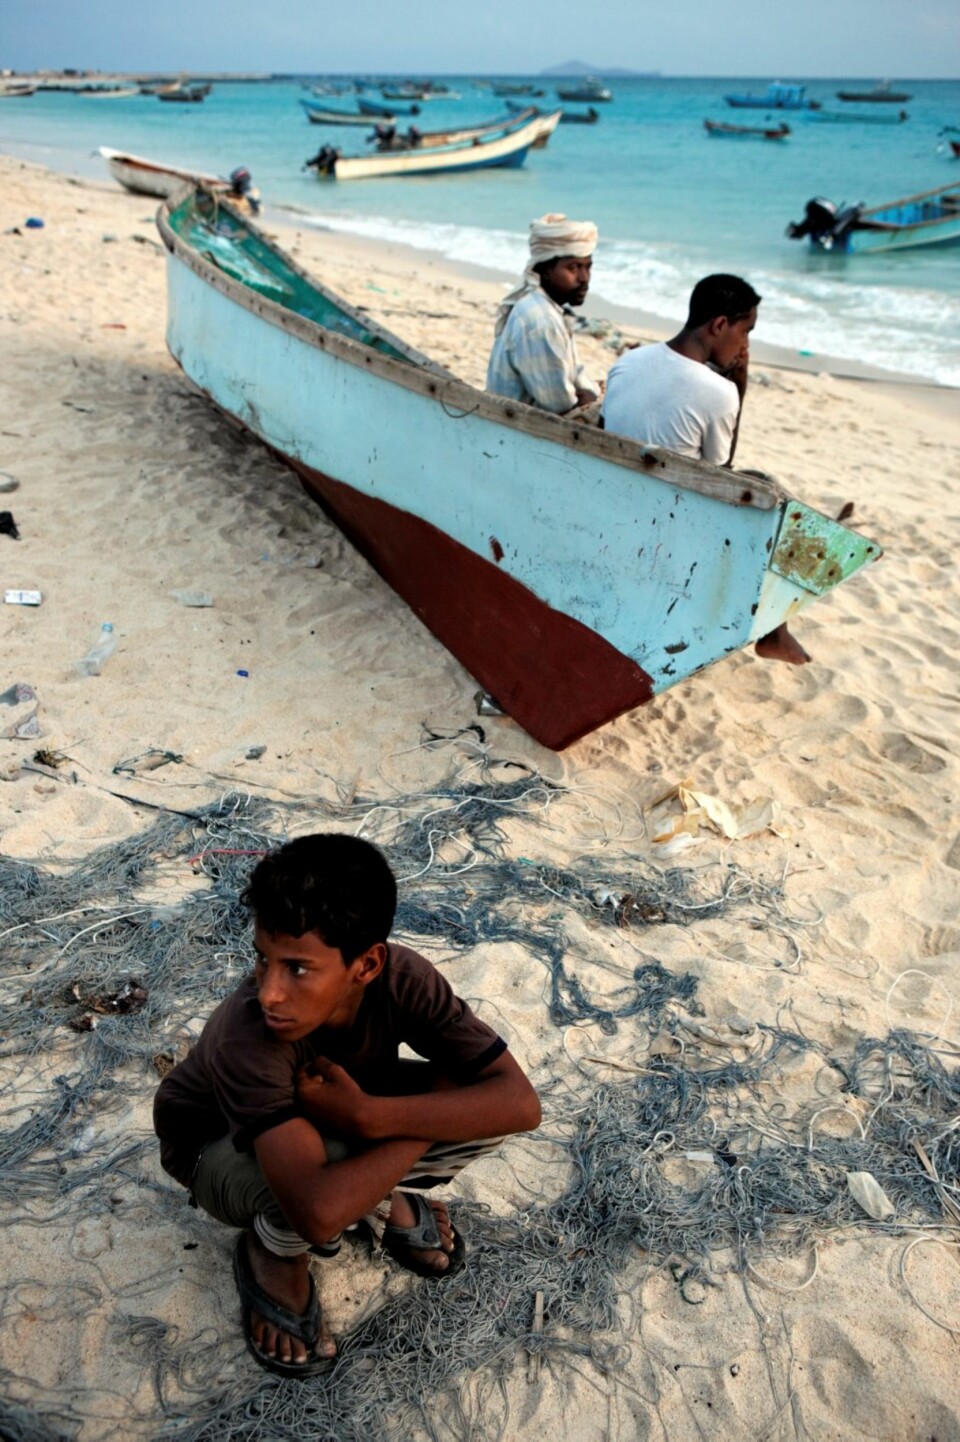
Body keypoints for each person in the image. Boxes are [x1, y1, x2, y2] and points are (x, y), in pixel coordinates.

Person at [153, 834, 541, 1379]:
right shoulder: (251, 1038)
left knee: (474, 1102)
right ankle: (273, 1252)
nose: (269, 992)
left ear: (367, 964)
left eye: (297, 968)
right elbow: (317, 1214)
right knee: (346, 1164)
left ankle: (373, 1189)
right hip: (213, 1150)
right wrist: (402, 1120)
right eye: (263, 959)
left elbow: (520, 1103)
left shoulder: (404, 979)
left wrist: (372, 1118)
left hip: (336, 1108)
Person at [602, 274, 810, 666]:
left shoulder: (628, 361)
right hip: (667, 523)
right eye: (746, 332)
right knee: (770, 497)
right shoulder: (719, 392)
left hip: (613, 497)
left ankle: (775, 633)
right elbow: (718, 473)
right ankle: (774, 631)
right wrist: (739, 386)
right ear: (719, 325)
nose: (745, 346)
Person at [486, 212, 600, 414]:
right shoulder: (541, 320)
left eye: (587, 267)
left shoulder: (548, 307)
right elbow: (559, 404)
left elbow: (576, 375)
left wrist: (590, 393)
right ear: (546, 270)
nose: (584, 278)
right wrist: (587, 398)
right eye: (573, 268)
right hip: (516, 424)